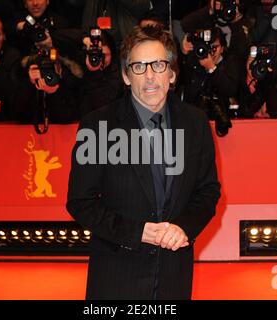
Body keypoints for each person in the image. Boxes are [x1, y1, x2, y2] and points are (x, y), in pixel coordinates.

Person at [66, 25, 221, 299]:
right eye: (139, 67)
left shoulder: (195, 122)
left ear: (172, 73)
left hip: (174, 278)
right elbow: (81, 202)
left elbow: (207, 191)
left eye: (159, 65)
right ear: (126, 76)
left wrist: (183, 227)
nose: (150, 76)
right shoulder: (97, 126)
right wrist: (138, 232)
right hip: (116, 278)